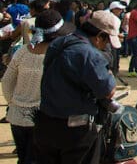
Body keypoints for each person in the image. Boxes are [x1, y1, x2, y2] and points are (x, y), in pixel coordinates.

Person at [34, 9, 119, 164]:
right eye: (107, 41)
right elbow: (108, 91)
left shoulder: (59, 43)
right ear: (100, 36)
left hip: (45, 122)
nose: (106, 46)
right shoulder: (90, 55)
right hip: (76, 130)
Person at [2, 9, 73, 164]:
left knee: (23, 158)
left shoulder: (22, 52)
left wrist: (13, 103)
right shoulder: (59, 55)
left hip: (17, 117)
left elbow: (7, 82)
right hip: (45, 118)